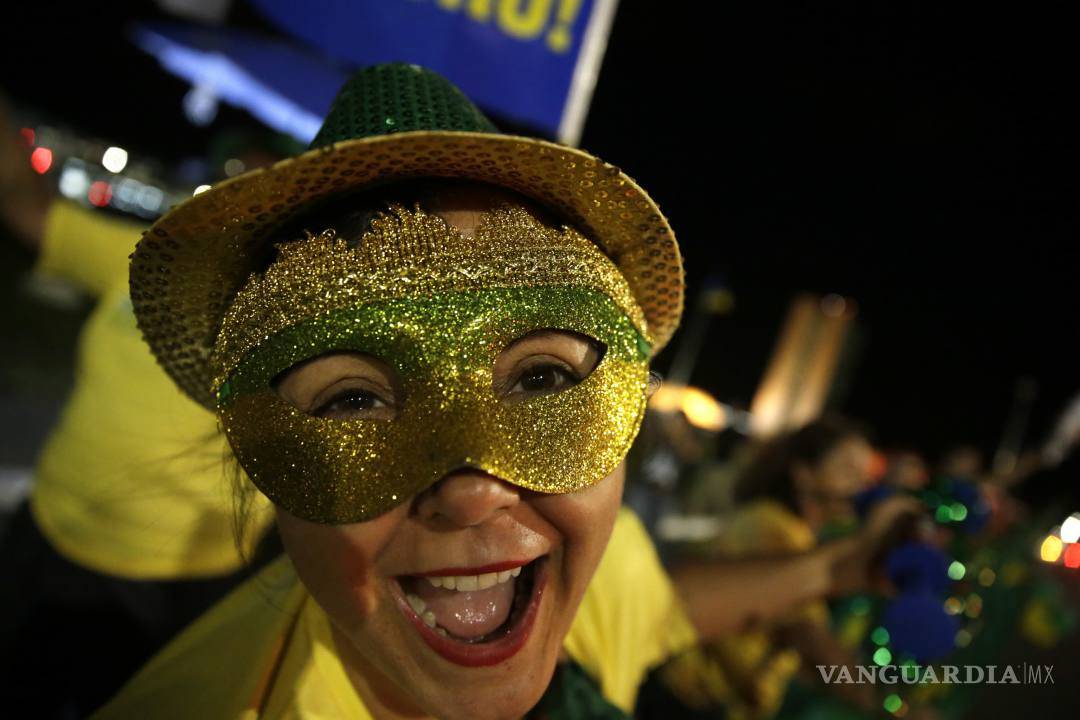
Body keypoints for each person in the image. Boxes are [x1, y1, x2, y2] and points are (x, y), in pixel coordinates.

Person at [96, 65, 916, 719]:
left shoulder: (579, 566)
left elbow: (655, 612)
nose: (477, 493)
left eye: (543, 379)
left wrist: (840, 565)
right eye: (353, 401)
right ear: (254, 465)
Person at [0, 100, 275, 717]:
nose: (242, 198)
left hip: (178, 588)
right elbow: (24, 200)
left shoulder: (300, 318)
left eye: (269, 183)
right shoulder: (143, 260)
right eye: (233, 174)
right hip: (46, 539)